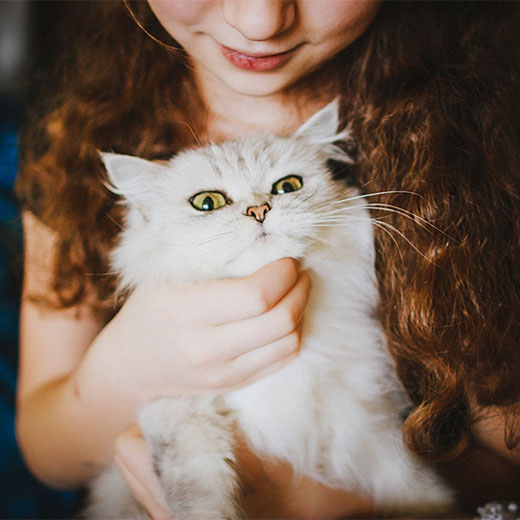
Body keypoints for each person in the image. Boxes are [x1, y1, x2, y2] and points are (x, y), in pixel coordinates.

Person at [14, 1, 520, 518]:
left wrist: (338, 505)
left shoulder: (482, 146)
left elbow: (508, 465)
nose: (260, 22)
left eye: (284, 186)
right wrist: (126, 367)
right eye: (210, 202)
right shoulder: (68, 149)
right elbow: (46, 450)